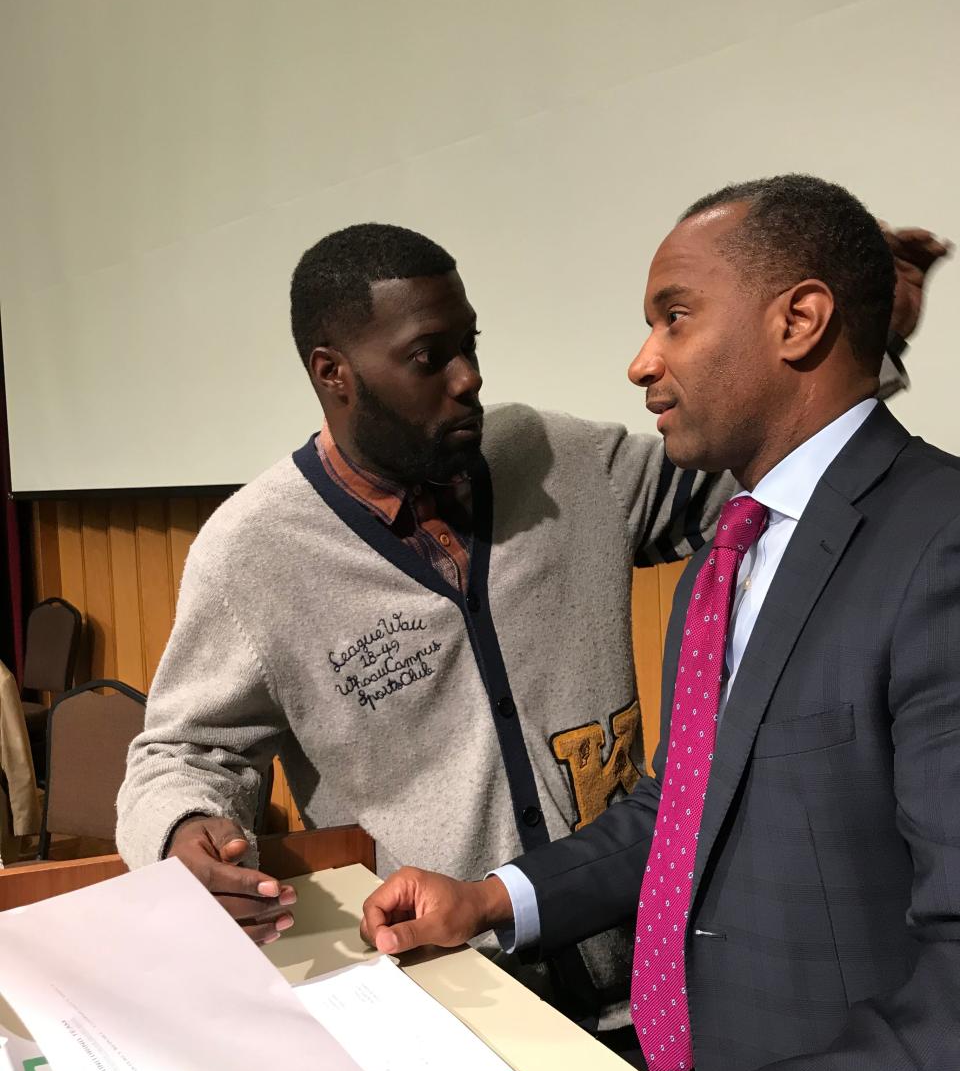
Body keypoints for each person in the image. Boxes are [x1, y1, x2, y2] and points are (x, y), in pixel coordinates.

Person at [116, 218, 936, 1026]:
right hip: (452, 996)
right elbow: (184, 750)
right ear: (334, 372)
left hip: (649, 975)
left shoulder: (555, 456)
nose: (468, 377)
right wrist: (184, 830)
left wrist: (857, 345)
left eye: (470, 345)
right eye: (429, 358)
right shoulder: (252, 552)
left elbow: (764, 468)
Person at [360, 176, 959, 1071]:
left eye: (673, 318)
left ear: (799, 320)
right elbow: (680, 806)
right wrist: (491, 898)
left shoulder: (939, 547)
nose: (642, 362)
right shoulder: (721, 561)